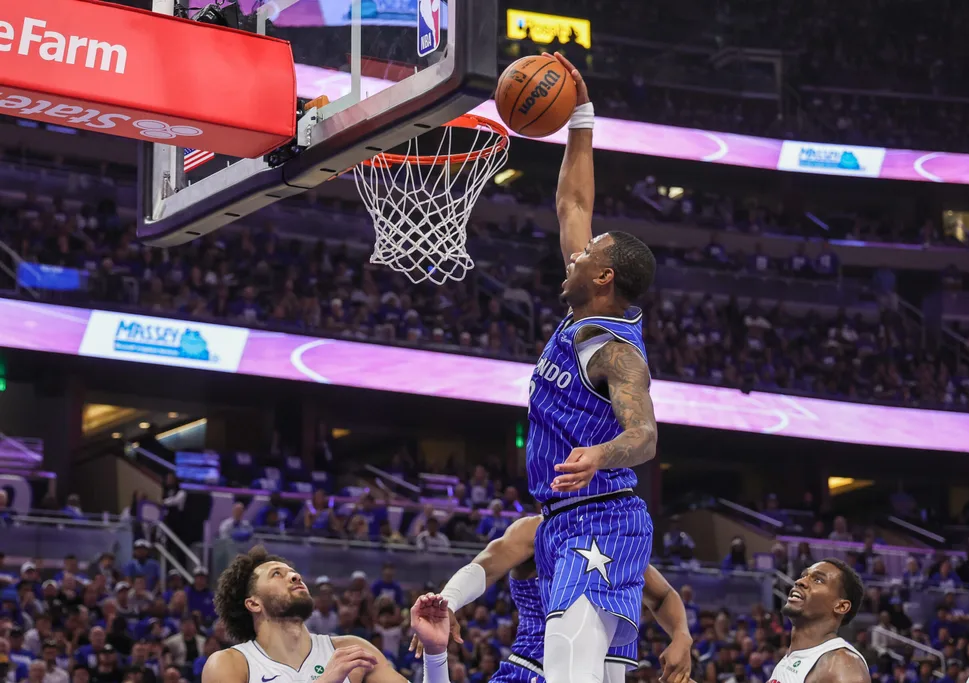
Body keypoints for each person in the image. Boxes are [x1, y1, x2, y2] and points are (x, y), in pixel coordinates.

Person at [524, 53, 658, 683]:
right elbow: (572, 199)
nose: (574, 255)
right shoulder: (585, 311)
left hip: (599, 518)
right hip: (566, 521)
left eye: (589, 255)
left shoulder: (616, 351)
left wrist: (601, 455)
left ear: (603, 277)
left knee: (566, 674)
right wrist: (580, 112)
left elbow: (645, 435)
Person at [428, 516, 690, 683]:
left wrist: (681, 636)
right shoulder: (537, 528)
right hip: (533, 670)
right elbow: (487, 564)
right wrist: (449, 599)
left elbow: (664, 595)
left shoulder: (615, 544)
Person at [201, 545, 454, 683]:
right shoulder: (229, 664)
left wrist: (435, 652)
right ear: (253, 604)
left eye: (292, 571)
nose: (294, 575)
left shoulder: (352, 651)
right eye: (276, 574)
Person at [767, 559, 869, 683]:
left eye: (818, 580)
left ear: (840, 606)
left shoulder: (841, 666)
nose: (800, 582)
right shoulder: (795, 655)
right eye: (804, 576)